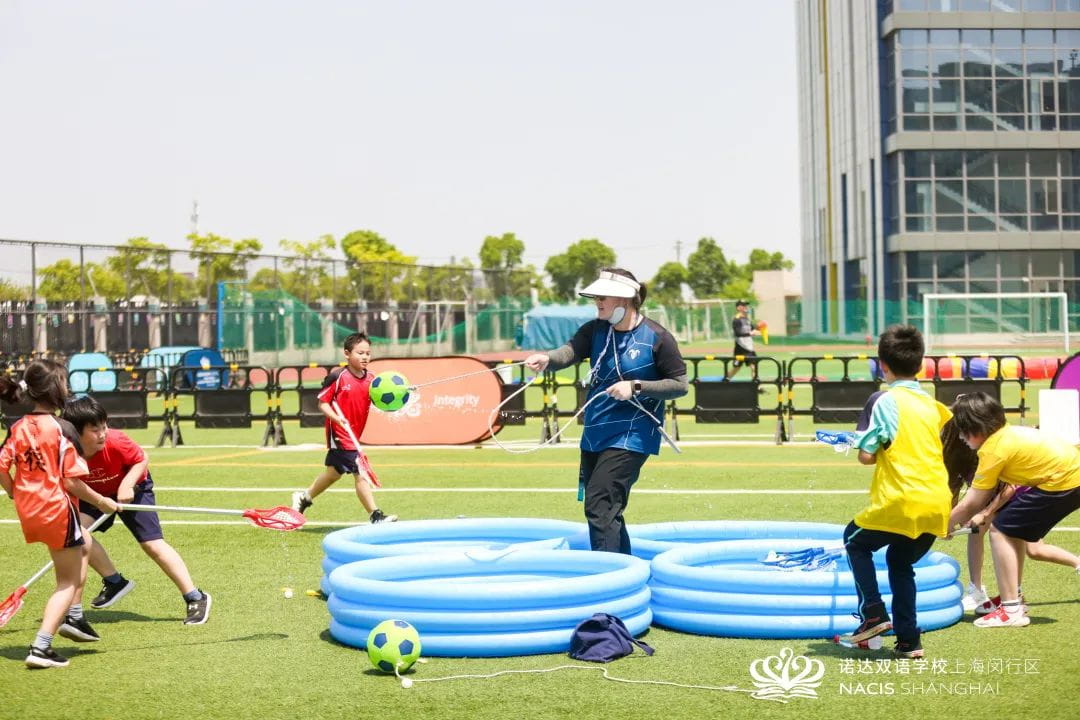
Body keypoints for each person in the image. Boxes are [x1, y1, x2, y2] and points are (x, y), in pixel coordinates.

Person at [524, 268, 688, 554]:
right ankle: (628, 570)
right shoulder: (595, 330)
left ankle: (609, 576)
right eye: (596, 296)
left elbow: (680, 385)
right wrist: (547, 359)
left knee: (599, 504)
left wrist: (636, 386)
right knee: (607, 509)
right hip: (595, 432)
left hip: (633, 434)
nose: (597, 301)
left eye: (603, 296)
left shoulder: (658, 337)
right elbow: (570, 352)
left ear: (625, 300)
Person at [838, 325, 952, 659]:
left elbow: (866, 456)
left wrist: (857, 441)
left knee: (853, 540)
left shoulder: (884, 400)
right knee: (900, 562)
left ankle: (872, 611)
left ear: (882, 365)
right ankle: (909, 641)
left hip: (901, 498)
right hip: (937, 501)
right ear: (921, 364)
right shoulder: (933, 405)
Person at [0, 360, 119, 668]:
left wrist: (14, 490)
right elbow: (71, 481)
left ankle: (75, 618)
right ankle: (42, 646)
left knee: (84, 547)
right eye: (64, 382)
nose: (67, 388)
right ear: (55, 390)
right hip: (56, 509)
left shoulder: (17, 426)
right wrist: (103, 501)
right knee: (67, 581)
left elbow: (1, 465)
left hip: (29, 511)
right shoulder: (62, 429)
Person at [60, 396, 211, 625]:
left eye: (104, 426)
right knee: (78, 533)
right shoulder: (68, 450)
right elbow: (71, 482)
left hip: (134, 488)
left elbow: (141, 459)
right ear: (75, 432)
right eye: (95, 430)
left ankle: (195, 597)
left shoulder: (116, 441)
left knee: (152, 544)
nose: (102, 433)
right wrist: (101, 500)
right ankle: (114, 582)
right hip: (95, 495)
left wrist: (126, 485)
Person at [948, 392, 1080, 628]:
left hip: (1064, 481)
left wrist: (943, 525)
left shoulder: (992, 449)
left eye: (963, 431)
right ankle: (1014, 598)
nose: (960, 437)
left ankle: (1011, 610)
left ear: (977, 429)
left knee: (1001, 531)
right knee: (1011, 528)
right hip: (1070, 476)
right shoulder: (1006, 434)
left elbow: (973, 502)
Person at [291, 332, 397, 523]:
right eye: (360, 353)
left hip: (355, 432)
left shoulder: (372, 379)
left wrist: (399, 393)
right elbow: (323, 403)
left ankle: (304, 498)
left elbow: (379, 400)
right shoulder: (338, 376)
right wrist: (338, 418)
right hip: (340, 433)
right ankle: (375, 515)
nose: (365, 357)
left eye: (368, 353)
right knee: (360, 471)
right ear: (347, 354)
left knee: (333, 474)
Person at [724, 300, 761, 380]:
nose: (746, 307)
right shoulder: (736, 319)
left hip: (749, 348)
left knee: (754, 366)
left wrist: (759, 328)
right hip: (740, 348)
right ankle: (725, 381)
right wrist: (750, 334)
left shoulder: (747, 319)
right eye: (743, 305)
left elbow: (752, 329)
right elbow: (737, 333)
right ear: (738, 308)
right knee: (736, 368)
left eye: (746, 305)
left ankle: (757, 387)